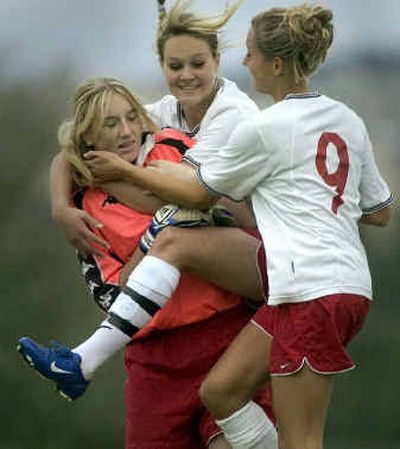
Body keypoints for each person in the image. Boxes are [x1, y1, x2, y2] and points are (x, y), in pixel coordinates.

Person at [59, 3, 393, 449]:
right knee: (221, 393)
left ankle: (87, 357)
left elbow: (197, 194)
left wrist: (125, 175)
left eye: (251, 52)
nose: (246, 61)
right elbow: (379, 212)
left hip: (309, 285)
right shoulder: (345, 118)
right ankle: (86, 357)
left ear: (276, 63)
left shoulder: (260, 126)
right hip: (334, 283)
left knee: (301, 440)